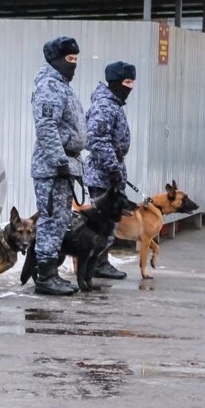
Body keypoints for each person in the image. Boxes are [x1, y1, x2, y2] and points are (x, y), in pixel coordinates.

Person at [30, 36, 86, 296]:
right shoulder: (50, 86)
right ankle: (45, 275)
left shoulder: (62, 86)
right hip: (53, 165)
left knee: (60, 218)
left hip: (65, 164)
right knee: (52, 218)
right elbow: (46, 126)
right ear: (56, 60)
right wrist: (60, 160)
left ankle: (50, 271)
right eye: (68, 60)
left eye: (75, 59)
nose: (73, 64)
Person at [84, 61, 136, 280]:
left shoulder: (113, 104)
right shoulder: (105, 106)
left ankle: (100, 261)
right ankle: (96, 263)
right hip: (102, 172)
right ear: (114, 82)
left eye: (132, 82)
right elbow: (97, 139)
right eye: (126, 82)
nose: (130, 87)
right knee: (102, 221)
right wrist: (113, 168)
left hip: (111, 169)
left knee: (109, 222)